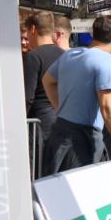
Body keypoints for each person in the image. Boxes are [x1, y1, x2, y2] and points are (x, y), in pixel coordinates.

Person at [41, 15, 111, 174]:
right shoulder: (107, 60)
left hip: (60, 133)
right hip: (82, 142)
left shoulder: (70, 54)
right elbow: (107, 107)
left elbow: (47, 81)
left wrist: (60, 109)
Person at [22, 11, 63, 145]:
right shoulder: (65, 55)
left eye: (27, 33)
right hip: (62, 121)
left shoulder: (33, 57)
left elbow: (27, 96)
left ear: (33, 29)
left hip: (39, 125)